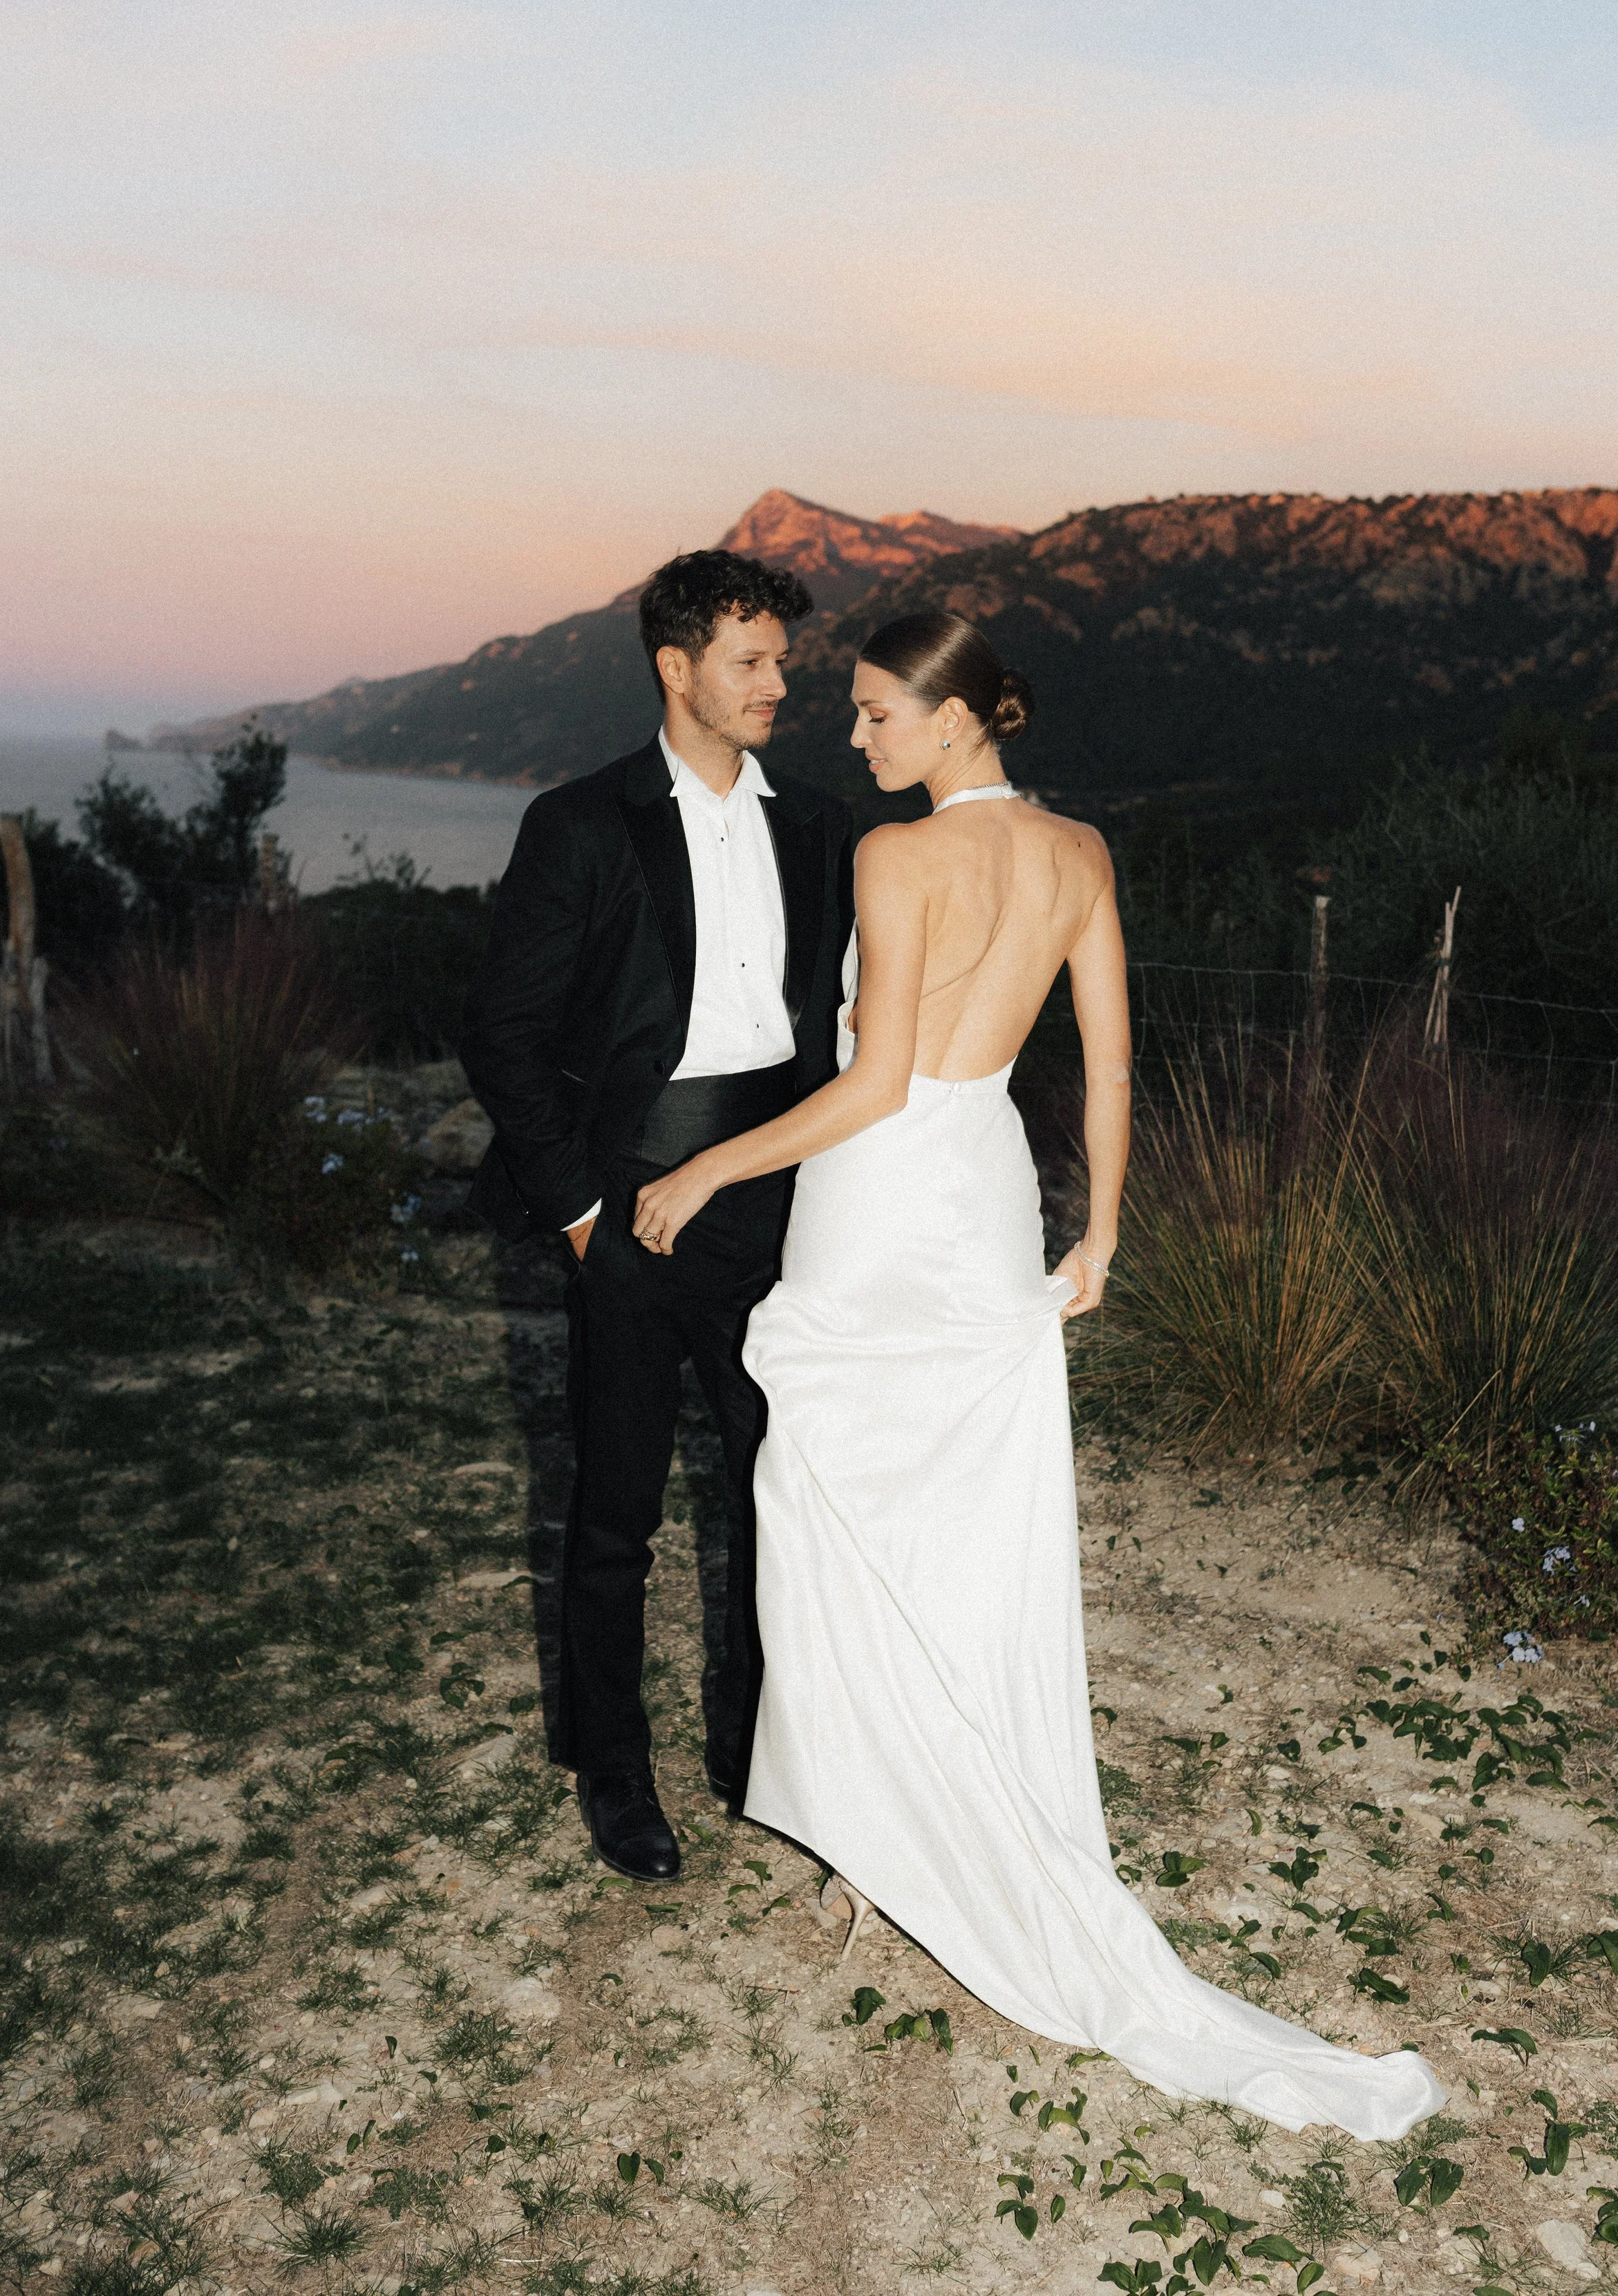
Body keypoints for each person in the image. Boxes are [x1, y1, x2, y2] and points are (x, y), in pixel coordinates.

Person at [628, 609, 1447, 2139]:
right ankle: (923, 1823)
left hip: (880, 1195)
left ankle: (891, 1842)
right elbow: (1114, 1061)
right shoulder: (1078, 854)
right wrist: (1105, 1235)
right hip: (991, 1186)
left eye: (876, 716)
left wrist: (701, 1175)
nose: (855, 738)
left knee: (825, 1510)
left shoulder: (894, 857)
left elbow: (871, 1084)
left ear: (948, 724)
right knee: (955, 1517)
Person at [460, 550, 854, 1883]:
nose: (776, 686)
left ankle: (758, 1750)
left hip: (771, 1206)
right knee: (617, 1507)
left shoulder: (822, 827)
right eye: (750, 663)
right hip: (625, 1203)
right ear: (675, 669)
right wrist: (578, 1208)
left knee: (774, 1491)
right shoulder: (580, 824)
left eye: (782, 663)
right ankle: (615, 1771)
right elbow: (504, 1035)